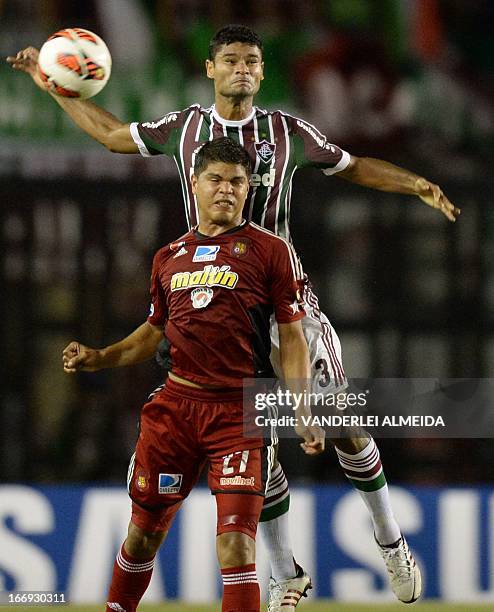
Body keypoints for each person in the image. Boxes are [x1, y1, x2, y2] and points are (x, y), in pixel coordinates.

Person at [9, 24, 460, 608]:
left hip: (280, 297)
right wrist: (55, 87)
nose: (241, 69)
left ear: (263, 72)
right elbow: (113, 135)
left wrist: (416, 183)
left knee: (339, 415)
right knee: (253, 441)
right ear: (211, 68)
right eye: (231, 59)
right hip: (216, 300)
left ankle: (390, 538)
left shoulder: (285, 132)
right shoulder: (186, 130)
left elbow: (351, 166)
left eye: (252, 60)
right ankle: (284, 571)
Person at [62, 138, 324, 612]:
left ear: (249, 190)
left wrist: (301, 406)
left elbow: (292, 337)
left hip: (240, 414)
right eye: (216, 180)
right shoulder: (169, 256)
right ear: (195, 184)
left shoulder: (271, 252)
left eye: (237, 182)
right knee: (141, 537)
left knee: (237, 546)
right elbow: (153, 332)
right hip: (175, 413)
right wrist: (102, 357)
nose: (226, 190)